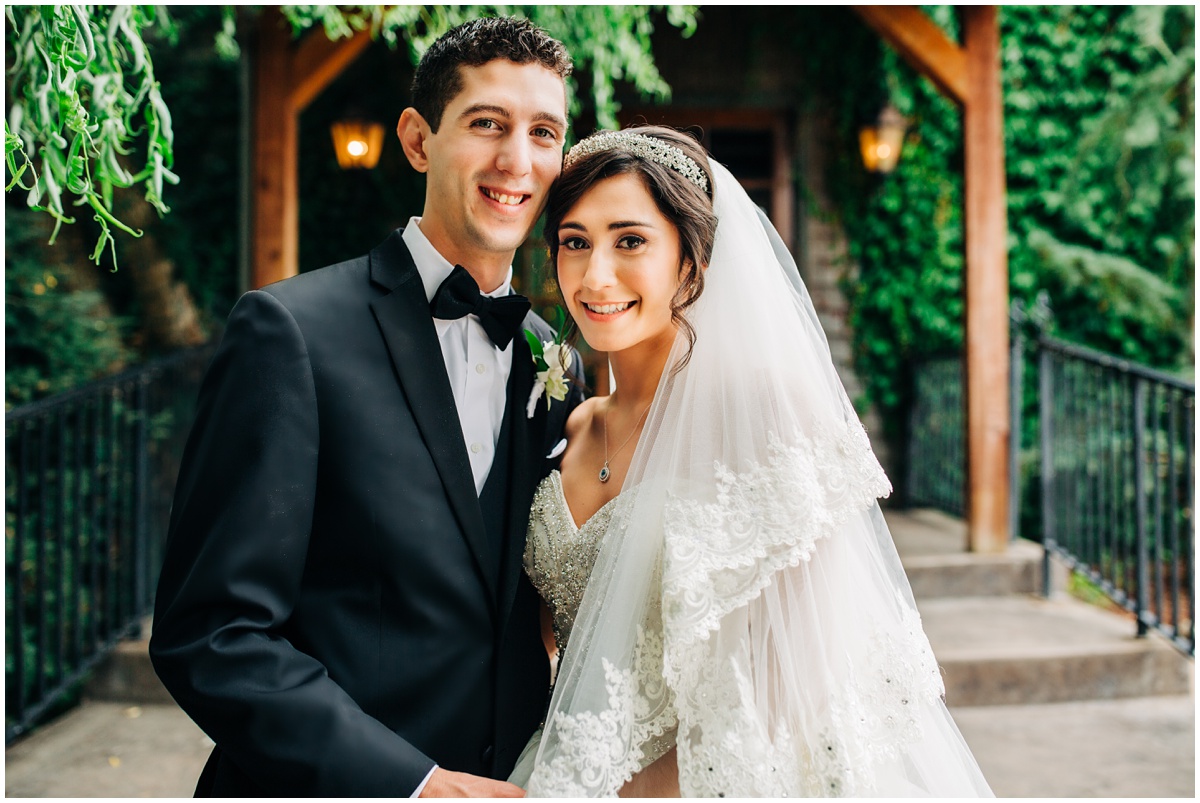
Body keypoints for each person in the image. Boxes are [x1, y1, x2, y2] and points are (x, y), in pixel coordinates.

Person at [149, 17, 583, 797]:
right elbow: (211, 633)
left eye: (543, 133)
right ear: (418, 140)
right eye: (487, 124)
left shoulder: (553, 360)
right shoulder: (289, 333)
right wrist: (412, 782)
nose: (517, 160)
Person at [507, 126, 995, 797]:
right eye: (574, 241)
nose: (594, 276)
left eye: (630, 241)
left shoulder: (761, 411)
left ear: (691, 261)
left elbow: (800, 683)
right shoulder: (578, 424)